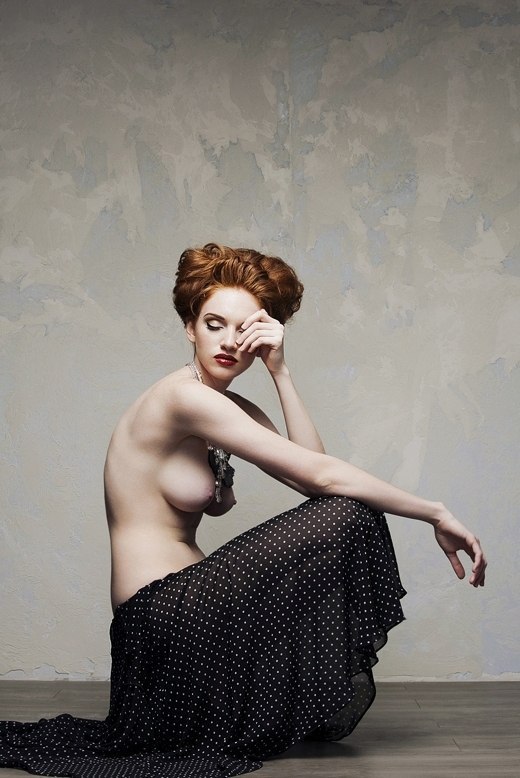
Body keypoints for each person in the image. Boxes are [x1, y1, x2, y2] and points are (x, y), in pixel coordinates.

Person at [0, 243, 486, 778]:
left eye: (245, 329)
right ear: (190, 327)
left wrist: (281, 372)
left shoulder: (226, 406)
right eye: (214, 324)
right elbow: (323, 480)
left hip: (199, 617)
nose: (229, 342)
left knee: (347, 510)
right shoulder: (182, 399)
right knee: (348, 515)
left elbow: (312, 473)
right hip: (159, 619)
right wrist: (434, 512)